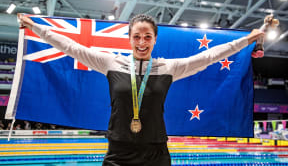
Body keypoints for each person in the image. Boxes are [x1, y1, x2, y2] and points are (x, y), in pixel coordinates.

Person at [18, 13, 264, 166]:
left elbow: (210, 56)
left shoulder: (169, 67)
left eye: (147, 37)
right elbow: (71, 47)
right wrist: (34, 27)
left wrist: (246, 39)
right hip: (119, 151)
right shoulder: (110, 62)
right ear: (130, 39)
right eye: (137, 36)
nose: (142, 42)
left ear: (155, 39)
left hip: (155, 152)